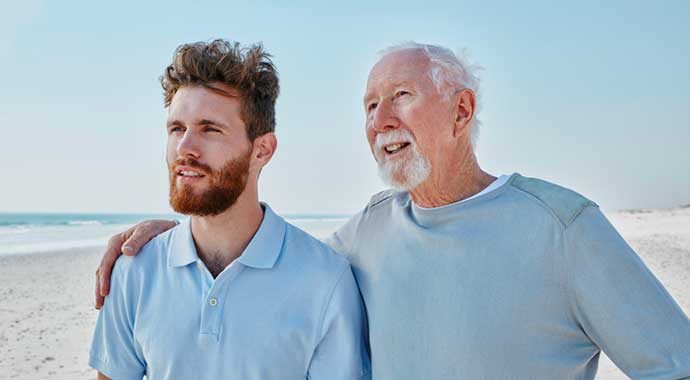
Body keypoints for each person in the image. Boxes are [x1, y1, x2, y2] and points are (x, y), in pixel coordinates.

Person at [95, 42, 690, 379]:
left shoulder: (564, 227)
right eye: (370, 104)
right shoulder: (367, 233)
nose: (380, 121)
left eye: (401, 97)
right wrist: (175, 230)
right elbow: (259, 262)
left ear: (461, 112)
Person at [89, 39, 370, 380]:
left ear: (262, 150)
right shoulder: (136, 270)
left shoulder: (325, 281)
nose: (185, 148)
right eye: (177, 129)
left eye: (210, 129)